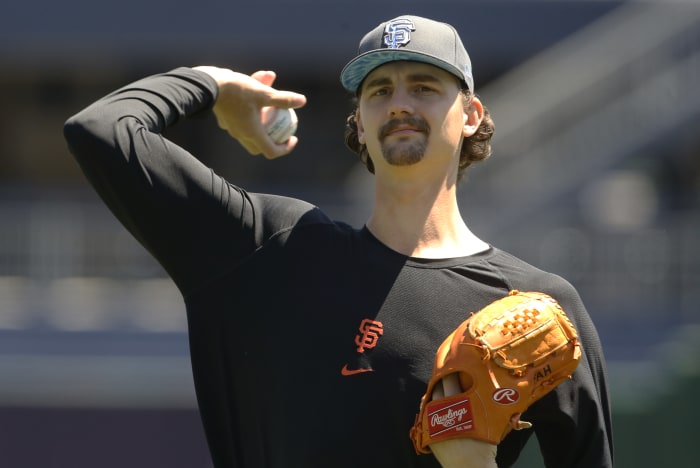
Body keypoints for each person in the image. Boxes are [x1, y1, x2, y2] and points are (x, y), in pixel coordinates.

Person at [64, 14, 613, 468]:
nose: (399, 103)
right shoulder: (274, 251)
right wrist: (215, 84)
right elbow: (102, 130)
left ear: (470, 115)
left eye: (423, 86)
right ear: (360, 121)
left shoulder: (537, 310)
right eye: (379, 90)